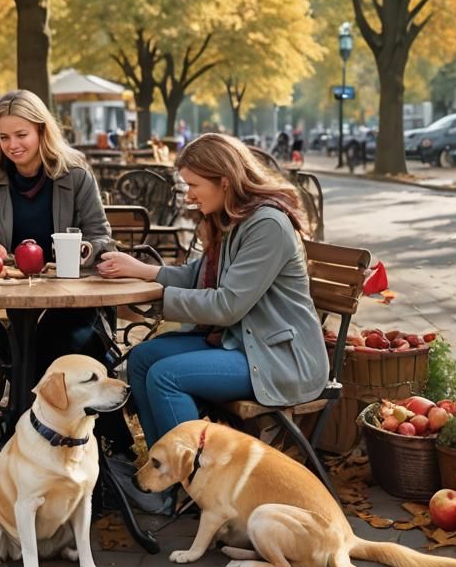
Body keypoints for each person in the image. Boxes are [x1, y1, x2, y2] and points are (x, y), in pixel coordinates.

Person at [98, 133, 328, 508]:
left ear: (224, 181)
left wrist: (157, 299)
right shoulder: (232, 219)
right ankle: (166, 477)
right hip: (242, 342)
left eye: (193, 185)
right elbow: (197, 276)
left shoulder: (267, 225)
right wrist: (142, 270)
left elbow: (227, 306)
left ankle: (196, 490)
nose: (188, 195)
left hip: (279, 358)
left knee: (166, 376)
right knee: (141, 359)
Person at [0, 90, 135, 448]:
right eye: (4, 137)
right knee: (16, 348)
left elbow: (101, 236)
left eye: (21, 134)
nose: (12, 145)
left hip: (73, 297)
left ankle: (31, 438)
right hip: (15, 294)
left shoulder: (75, 174)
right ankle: (99, 444)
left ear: (42, 131)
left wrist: (85, 250)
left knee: (47, 347)